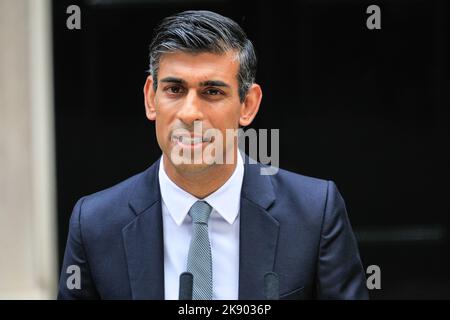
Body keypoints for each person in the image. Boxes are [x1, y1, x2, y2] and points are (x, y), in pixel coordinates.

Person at [58, 10, 368, 300]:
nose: (190, 113)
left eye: (212, 92)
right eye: (175, 90)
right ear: (151, 98)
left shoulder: (314, 213)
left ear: (248, 105)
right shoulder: (95, 223)